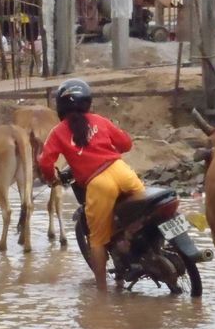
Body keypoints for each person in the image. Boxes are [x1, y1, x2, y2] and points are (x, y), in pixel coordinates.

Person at [37, 79, 144, 290]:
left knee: (97, 241)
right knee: (142, 212)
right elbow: (126, 143)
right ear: (87, 101)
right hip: (122, 172)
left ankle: (102, 292)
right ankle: (129, 236)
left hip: (98, 184)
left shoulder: (59, 132)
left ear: (60, 106)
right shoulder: (100, 120)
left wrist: (51, 179)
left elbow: (44, 161)